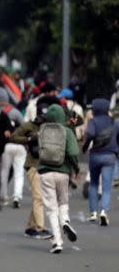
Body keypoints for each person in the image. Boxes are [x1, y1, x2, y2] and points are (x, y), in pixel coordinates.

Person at [9, 96, 56, 239]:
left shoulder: (51, 127)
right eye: (42, 116)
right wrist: (30, 139)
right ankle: (40, 229)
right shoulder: (29, 126)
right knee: (39, 197)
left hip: (47, 164)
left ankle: (30, 228)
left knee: (39, 198)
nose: (44, 119)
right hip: (33, 165)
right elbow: (13, 137)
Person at [38, 104, 80, 253]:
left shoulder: (42, 130)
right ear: (63, 115)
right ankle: (65, 222)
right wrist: (76, 168)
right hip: (63, 172)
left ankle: (57, 241)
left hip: (45, 172)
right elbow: (73, 152)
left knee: (51, 208)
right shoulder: (67, 131)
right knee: (63, 201)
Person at [82, 98, 118, 226]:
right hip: (110, 156)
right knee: (107, 186)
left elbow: (90, 134)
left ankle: (93, 213)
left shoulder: (93, 121)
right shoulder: (115, 122)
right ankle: (104, 211)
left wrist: (85, 147)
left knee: (93, 184)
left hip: (96, 155)